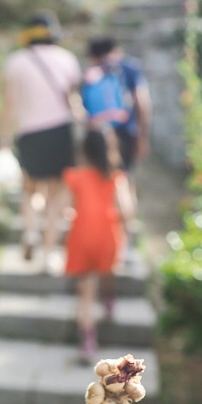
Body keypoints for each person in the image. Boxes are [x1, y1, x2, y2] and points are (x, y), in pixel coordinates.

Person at [0, 12, 82, 265]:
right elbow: (72, 101)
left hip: (28, 133)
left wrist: (3, 139)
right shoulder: (67, 60)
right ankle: (48, 254)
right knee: (58, 194)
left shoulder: (14, 62)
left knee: (30, 189)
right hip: (59, 132)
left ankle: (31, 230)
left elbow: (9, 106)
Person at [63, 129, 133, 363]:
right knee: (108, 271)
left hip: (81, 236)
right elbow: (126, 209)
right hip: (107, 236)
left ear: (84, 150)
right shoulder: (116, 177)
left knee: (85, 293)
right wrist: (127, 230)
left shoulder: (75, 177)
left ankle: (88, 341)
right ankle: (110, 299)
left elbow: (66, 208)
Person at [82, 36, 152, 214]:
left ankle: (105, 227)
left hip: (97, 135)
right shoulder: (129, 68)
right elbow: (142, 103)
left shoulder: (91, 73)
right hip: (125, 132)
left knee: (102, 180)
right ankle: (127, 233)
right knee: (124, 179)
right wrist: (142, 137)